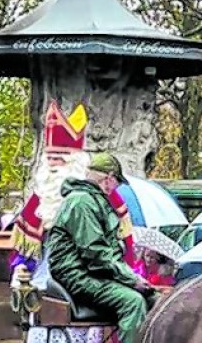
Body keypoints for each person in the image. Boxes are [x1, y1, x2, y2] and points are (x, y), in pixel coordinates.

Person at [44, 151, 152, 343]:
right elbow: (95, 253)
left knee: (157, 300)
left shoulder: (93, 201)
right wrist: (131, 280)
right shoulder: (81, 202)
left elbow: (106, 253)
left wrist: (133, 278)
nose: (116, 189)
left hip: (95, 273)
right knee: (132, 302)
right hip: (78, 275)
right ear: (109, 178)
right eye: (116, 183)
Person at [9, 101, 137, 284]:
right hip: (44, 278)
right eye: (49, 158)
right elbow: (26, 251)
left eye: (59, 159)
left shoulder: (106, 197)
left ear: (77, 163)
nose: (52, 165)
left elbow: (123, 246)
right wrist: (21, 267)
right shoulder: (40, 198)